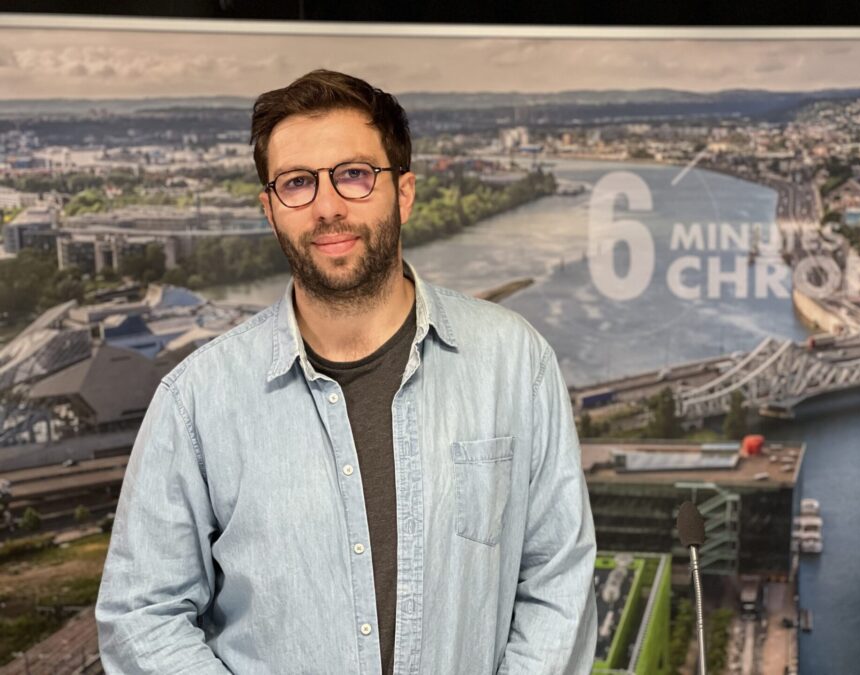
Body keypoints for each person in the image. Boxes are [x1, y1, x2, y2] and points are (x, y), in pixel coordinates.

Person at [96, 69, 597, 674]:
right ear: (270, 210)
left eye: (354, 175)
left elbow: (557, 584)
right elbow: (141, 618)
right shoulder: (197, 400)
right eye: (298, 183)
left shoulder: (516, 364)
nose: (327, 207)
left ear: (404, 193)